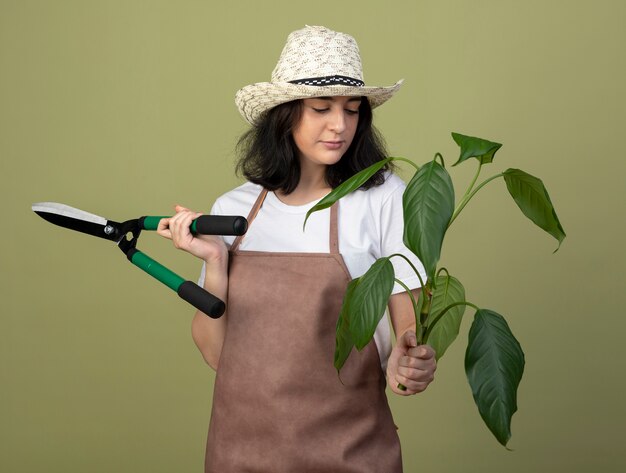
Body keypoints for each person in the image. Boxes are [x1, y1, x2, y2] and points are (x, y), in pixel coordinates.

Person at [158, 25, 436, 473]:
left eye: (351, 109)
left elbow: (409, 331)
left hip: (351, 450)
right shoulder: (235, 210)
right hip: (241, 451)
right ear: (285, 115)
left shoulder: (384, 198)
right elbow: (216, 354)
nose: (340, 125)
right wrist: (214, 260)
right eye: (321, 108)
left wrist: (409, 363)